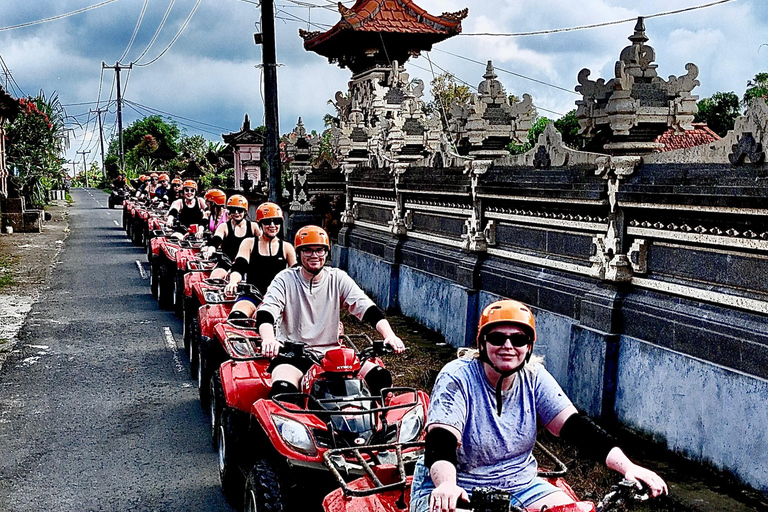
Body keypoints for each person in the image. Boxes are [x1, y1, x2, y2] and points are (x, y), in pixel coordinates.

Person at [409, 299, 668, 512]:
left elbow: (576, 427)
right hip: (457, 484)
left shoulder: (534, 377)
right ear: (482, 343)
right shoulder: (458, 376)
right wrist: (446, 485)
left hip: (520, 485)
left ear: (529, 347)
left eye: (518, 340)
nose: (508, 346)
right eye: (497, 338)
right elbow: (441, 440)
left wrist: (628, 467)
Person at [254, 225, 404, 400]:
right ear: (299, 253)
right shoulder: (285, 279)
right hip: (293, 354)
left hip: (333, 355)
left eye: (319, 250)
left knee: (380, 377)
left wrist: (390, 335)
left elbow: (367, 308)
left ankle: (378, 424)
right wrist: (269, 339)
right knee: (283, 391)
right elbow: (267, 311)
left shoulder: (337, 278)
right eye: (308, 251)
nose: (314, 256)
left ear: (326, 253)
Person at [224, 201, 294, 314]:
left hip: (279, 297)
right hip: (253, 295)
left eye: (276, 222)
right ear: (260, 223)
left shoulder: (287, 247)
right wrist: (233, 282)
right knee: (237, 315)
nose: (272, 225)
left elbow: (296, 274)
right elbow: (239, 267)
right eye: (267, 222)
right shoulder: (249, 243)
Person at [202, 194, 261, 280]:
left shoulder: (253, 227)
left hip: (248, 265)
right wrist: (210, 250)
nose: (236, 213)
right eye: (233, 210)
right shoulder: (224, 227)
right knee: (215, 278)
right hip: (226, 263)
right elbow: (215, 241)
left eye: (240, 210)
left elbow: (262, 243)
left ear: (245, 211)